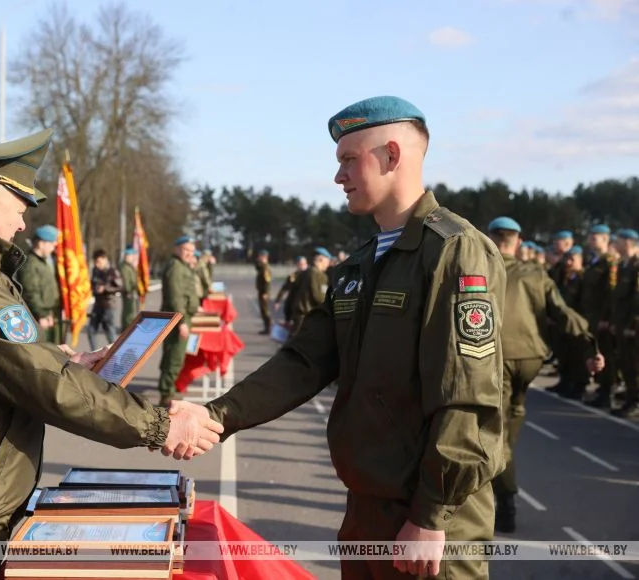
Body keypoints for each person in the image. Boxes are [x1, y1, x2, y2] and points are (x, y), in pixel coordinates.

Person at [0, 129, 224, 580]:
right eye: (19, 207)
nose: (22, 224)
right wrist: (160, 426)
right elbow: (40, 380)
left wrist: (63, 361)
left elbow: (0, 360)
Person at [171, 96, 507, 579]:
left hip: (431, 518)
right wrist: (214, 416)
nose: (339, 176)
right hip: (367, 509)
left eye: (350, 160)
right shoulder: (360, 264)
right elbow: (304, 363)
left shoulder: (454, 252)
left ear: (392, 156)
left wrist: (430, 516)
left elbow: (469, 402)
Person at [485, 217, 603, 534]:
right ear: (519, 241)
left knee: (499, 435)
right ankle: (505, 467)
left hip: (497, 359)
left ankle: (505, 499)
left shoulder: (480, 270)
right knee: (513, 418)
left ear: (489, 238)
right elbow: (563, 314)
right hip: (530, 359)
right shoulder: (536, 273)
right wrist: (591, 347)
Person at [157, 236, 199, 406]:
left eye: (191, 250)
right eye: (185, 250)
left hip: (182, 317)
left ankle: (168, 389)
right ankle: (167, 394)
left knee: (175, 355)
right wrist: (181, 321)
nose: (189, 253)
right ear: (176, 250)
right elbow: (175, 296)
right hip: (177, 318)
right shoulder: (176, 268)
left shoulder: (183, 266)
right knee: (174, 356)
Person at [582, 225, 619, 409]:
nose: (591, 240)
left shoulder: (609, 261)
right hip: (592, 316)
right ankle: (602, 389)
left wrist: (607, 317)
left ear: (605, 239)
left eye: (595, 237)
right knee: (597, 352)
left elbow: (610, 292)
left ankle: (608, 392)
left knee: (607, 355)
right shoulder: (594, 261)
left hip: (602, 317)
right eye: (590, 237)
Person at [610, 228, 639, 418]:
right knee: (626, 364)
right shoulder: (624, 265)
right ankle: (630, 399)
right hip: (622, 324)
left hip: (632, 327)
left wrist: (632, 325)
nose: (615, 245)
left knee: (635, 366)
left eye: (618, 241)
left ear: (628, 242)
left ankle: (635, 402)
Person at [18, 224, 61, 343]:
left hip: (48, 315)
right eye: (52, 244)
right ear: (41, 244)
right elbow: (30, 293)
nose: (53, 248)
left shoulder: (42, 262)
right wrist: (42, 315)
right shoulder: (30, 264)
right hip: (38, 318)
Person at [288, 247, 331, 334]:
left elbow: (292, 293)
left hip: (299, 315)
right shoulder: (319, 275)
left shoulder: (304, 273)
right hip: (307, 316)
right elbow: (319, 297)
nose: (328, 264)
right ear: (321, 259)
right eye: (327, 261)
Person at [86, 248, 122, 349]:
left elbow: (120, 286)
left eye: (99, 262)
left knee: (110, 332)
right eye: (95, 262)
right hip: (97, 306)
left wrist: (105, 288)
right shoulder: (95, 271)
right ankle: (94, 354)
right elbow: (91, 284)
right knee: (91, 330)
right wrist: (94, 288)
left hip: (109, 306)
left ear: (105, 259)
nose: (97, 265)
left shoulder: (112, 271)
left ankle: (114, 354)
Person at [118, 246, 140, 331]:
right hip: (129, 293)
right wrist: (128, 291)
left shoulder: (128, 266)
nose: (133, 258)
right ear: (127, 256)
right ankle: (127, 328)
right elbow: (126, 281)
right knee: (129, 312)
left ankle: (128, 327)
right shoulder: (125, 267)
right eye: (132, 256)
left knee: (130, 311)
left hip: (131, 292)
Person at [254, 249, 272, 334]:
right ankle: (266, 327)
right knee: (263, 310)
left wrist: (266, 293)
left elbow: (267, 282)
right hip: (261, 291)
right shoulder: (262, 267)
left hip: (264, 292)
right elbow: (257, 267)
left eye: (260, 256)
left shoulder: (266, 268)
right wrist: (258, 261)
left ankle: (268, 328)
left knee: (265, 310)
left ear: (264, 257)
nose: (259, 258)